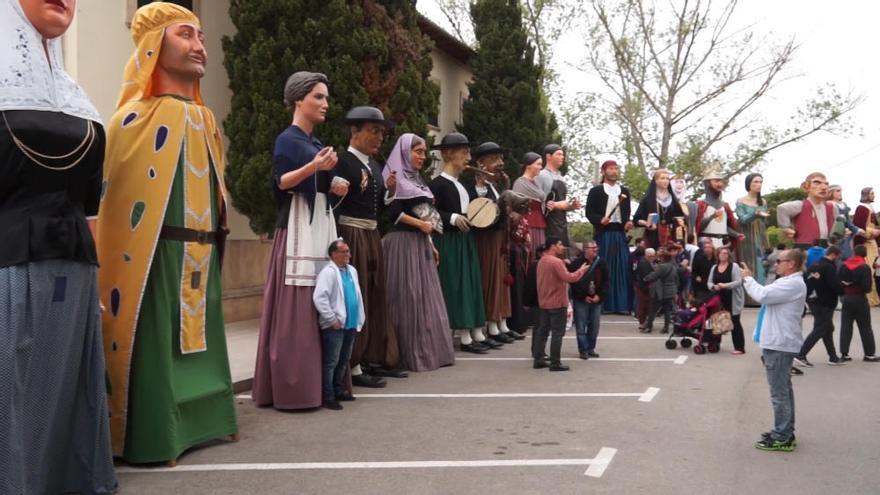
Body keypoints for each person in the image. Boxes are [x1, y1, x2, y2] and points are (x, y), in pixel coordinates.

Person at [97, 2, 238, 464]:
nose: (200, 46)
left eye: (200, 36)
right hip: (154, 260)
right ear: (155, 45)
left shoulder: (206, 118)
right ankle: (156, 433)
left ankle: (209, 422)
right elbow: (117, 210)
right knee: (157, 341)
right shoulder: (130, 121)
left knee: (201, 344)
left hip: (199, 255)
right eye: (186, 35)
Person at [0, 0, 117, 491]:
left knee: (65, 395)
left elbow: (89, 203)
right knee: (14, 393)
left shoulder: (74, 94)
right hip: (10, 262)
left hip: (75, 263)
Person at [253, 71, 348, 410]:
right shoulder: (288, 140)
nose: (325, 103)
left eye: (325, 97)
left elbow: (317, 181)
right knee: (298, 301)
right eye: (318, 97)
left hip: (319, 222)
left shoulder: (316, 145)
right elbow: (281, 182)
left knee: (325, 293)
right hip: (297, 228)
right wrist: (314, 168)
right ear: (298, 99)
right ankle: (297, 386)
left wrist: (334, 183)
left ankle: (325, 384)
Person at [330, 106, 401, 387]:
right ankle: (354, 364)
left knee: (375, 294)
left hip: (372, 235)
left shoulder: (373, 165)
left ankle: (374, 356)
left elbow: (379, 208)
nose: (379, 137)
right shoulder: (343, 162)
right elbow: (333, 204)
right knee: (356, 298)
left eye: (381, 132)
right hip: (352, 234)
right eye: (373, 131)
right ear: (354, 131)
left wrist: (391, 191)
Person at [381, 133, 455, 370]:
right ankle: (404, 354)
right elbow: (394, 215)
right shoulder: (396, 178)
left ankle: (428, 351)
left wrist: (430, 242)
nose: (422, 156)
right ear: (404, 152)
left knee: (424, 300)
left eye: (424, 152)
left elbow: (426, 215)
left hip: (419, 244)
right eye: (418, 151)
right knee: (406, 296)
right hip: (401, 244)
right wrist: (421, 226)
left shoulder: (417, 180)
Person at [428, 133, 492, 353]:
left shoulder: (463, 185)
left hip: (465, 241)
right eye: (464, 152)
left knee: (470, 283)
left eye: (468, 152)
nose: (468, 157)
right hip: (448, 241)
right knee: (455, 285)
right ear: (448, 154)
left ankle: (473, 331)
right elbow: (430, 212)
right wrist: (453, 218)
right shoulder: (436, 184)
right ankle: (462, 334)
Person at [742, 249, 806, 451]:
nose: (775, 264)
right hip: (777, 342)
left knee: (779, 393)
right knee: (783, 391)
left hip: (780, 343)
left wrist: (748, 279)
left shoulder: (792, 283)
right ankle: (785, 431)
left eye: (779, 261)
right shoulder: (786, 281)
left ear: (792, 264)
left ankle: (782, 435)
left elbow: (762, 295)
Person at [469, 142, 517, 344]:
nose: (500, 163)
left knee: (500, 280)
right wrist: (480, 184)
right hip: (485, 238)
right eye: (495, 160)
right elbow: (478, 209)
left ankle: (499, 322)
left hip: (499, 238)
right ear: (481, 163)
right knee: (488, 280)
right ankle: (486, 324)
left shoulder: (494, 186)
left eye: (501, 159)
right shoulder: (476, 186)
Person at [313, 240, 366, 411]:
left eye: (348, 252)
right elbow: (319, 297)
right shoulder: (327, 273)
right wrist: (331, 319)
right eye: (344, 252)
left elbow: (356, 295)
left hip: (349, 324)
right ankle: (328, 396)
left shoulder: (352, 271)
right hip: (335, 326)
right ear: (334, 254)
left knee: (343, 360)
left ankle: (338, 390)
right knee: (331, 362)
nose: (348, 255)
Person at [585, 160, 634, 314]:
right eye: (610, 169)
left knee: (621, 268)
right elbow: (589, 212)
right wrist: (600, 219)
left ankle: (621, 304)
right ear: (603, 171)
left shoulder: (624, 191)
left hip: (619, 235)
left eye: (616, 169)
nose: (614, 171)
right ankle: (602, 303)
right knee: (603, 268)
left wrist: (627, 223)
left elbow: (626, 214)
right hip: (603, 235)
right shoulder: (596, 191)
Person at [533, 238, 589, 371]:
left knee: (543, 332)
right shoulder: (556, 262)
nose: (562, 247)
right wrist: (582, 270)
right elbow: (569, 278)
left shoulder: (542, 260)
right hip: (557, 302)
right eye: (560, 244)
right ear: (552, 246)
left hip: (544, 301)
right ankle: (555, 363)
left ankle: (538, 358)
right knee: (557, 334)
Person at [794, 245, 844, 367]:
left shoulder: (814, 266)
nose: (838, 259)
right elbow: (833, 284)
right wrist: (843, 290)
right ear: (833, 255)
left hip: (814, 301)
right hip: (826, 302)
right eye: (837, 257)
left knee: (827, 329)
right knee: (820, 329)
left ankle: (833, 357)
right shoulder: (829, 267)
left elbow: (808, 283)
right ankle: (801, 354)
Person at [838, 245, 880, 362]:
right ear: (865, 254)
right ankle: (869, 354)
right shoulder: (864, 267)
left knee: (846, 326)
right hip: (860, 298)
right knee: (865, 327)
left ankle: (844, 353)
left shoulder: (844, 265)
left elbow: (839, 282)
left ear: (854, 253)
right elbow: (867, 288)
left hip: (847, 298)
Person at [569, 240, 609, 359]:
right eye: (593, 247)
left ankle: (591, 348)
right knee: (581, 326)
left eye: (596, 247)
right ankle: (583, 350)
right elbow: (573, 282)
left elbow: (606, 282)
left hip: (596, 299)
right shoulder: (576, 263)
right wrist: (583, 296)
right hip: (581, 300)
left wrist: (600, 296)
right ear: (586, 249)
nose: (595, 249)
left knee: (594, 326)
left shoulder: (602, 263)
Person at [735, 173, 771, 305]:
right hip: (747, 234)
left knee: (762, 264)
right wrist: (755, 213)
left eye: (761, 182)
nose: (759, 185)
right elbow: (742, 219)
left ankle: (760, 296)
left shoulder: (763, 202)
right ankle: (748, 297)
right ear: (748, 184)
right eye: (755, 182)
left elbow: (764, 221)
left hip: (760, 234)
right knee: (748, 262)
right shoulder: (741, 201)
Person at [777, 172, 837, 250]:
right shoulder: (800, 205)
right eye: (817, 183)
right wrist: (786, 227)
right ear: (806, 186)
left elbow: (836, 228)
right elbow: (782, 208)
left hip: (826, 246)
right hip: (805, 247)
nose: (823, 187)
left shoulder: (831, 207)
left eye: (826, 184)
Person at [692, 161, 743, 253]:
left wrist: (736, 234)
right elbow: (698, 226)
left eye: (721, 181)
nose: (720, 184)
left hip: (723, 244)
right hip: (706, 244)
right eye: (716, 181)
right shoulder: (700, 205)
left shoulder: (725, 206)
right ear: (707, 183)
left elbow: (724, 227)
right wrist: (712, 216)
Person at [539, 144, 580, 248]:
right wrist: (555, 205)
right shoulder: (541, 175)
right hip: (547, 223)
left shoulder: (561, 177)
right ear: (548, 156)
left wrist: (571, 206)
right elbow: (537, 200)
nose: (562, 157)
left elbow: (562, 203)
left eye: (563, 155)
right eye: (559, 154)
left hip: (561, 222)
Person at [708, 247, 746, 354]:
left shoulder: (734, 266)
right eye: (721, 253)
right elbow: (709, 282)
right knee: (718, 320)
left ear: (729, 255)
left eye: (725, 253)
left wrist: (725, 285)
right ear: (718, 255)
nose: (723, 255)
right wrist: (713, 287)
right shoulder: (714, 267)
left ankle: (739, 348)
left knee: (735, 322)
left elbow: (739, 282)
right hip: (719, 299)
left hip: (732, 298)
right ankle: (715, 345)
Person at [633, 169, 684, 249]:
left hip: (670, 235)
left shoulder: (673, 199)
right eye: (662, 178)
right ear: (656, 180)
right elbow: (636, 219)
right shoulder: (648, 199)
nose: (666, 181)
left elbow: (679, 218)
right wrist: (647, 223)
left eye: (667, 178)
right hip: (653, 236)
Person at [513, 152, 548, 257]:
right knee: (530, 252)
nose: (541, 167)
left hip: (539, 221)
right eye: (538, 164)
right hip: (527, 223)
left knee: (540, 253)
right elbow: (516, 206)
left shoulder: (535, 183)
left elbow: (540, 200)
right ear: (528, 166)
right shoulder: (520, 183)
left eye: (541, 164)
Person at [852, 187, 879, 306]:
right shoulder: (861, 208)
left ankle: (876, 297)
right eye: (871, 193)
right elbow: (859, 227)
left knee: (877, 270)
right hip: (866, 243)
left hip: (873, 243)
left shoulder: (871, 208)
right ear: (866, 195)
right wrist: (872, 232)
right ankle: (870, 299)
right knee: (870, 270)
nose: (874, 195)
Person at [643, 248, 678, 334]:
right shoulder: (673, 267)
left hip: (661, 292)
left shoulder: (662, 267)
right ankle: (666, 328)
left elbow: (655, 276)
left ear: (663, 258)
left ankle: (649, 326)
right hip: (671, 291)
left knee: (653, 310)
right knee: (667, 311)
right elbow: (676, 279)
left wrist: (645, 278)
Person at [828, 185, 862, 261]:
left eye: (841, 191)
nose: (840, 193)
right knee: (836, 257)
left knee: (848, 257)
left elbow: (848, 222)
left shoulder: (844, 205)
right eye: (837, 191)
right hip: (835, 235)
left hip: (846, 237)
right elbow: (831, 222)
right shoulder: (829, 204)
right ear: (831, 192)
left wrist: (857, 230)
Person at [634, 248, 657, 330]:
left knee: (647, 306)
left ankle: (645, 322)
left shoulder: (648, 263)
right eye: (650, 256)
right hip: (643, 287)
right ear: (646, 255)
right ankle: (642, 322)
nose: (652, 258)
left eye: (653, 256)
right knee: (642, 306)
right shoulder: (643, 263)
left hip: (646, 287)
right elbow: (646, 276)